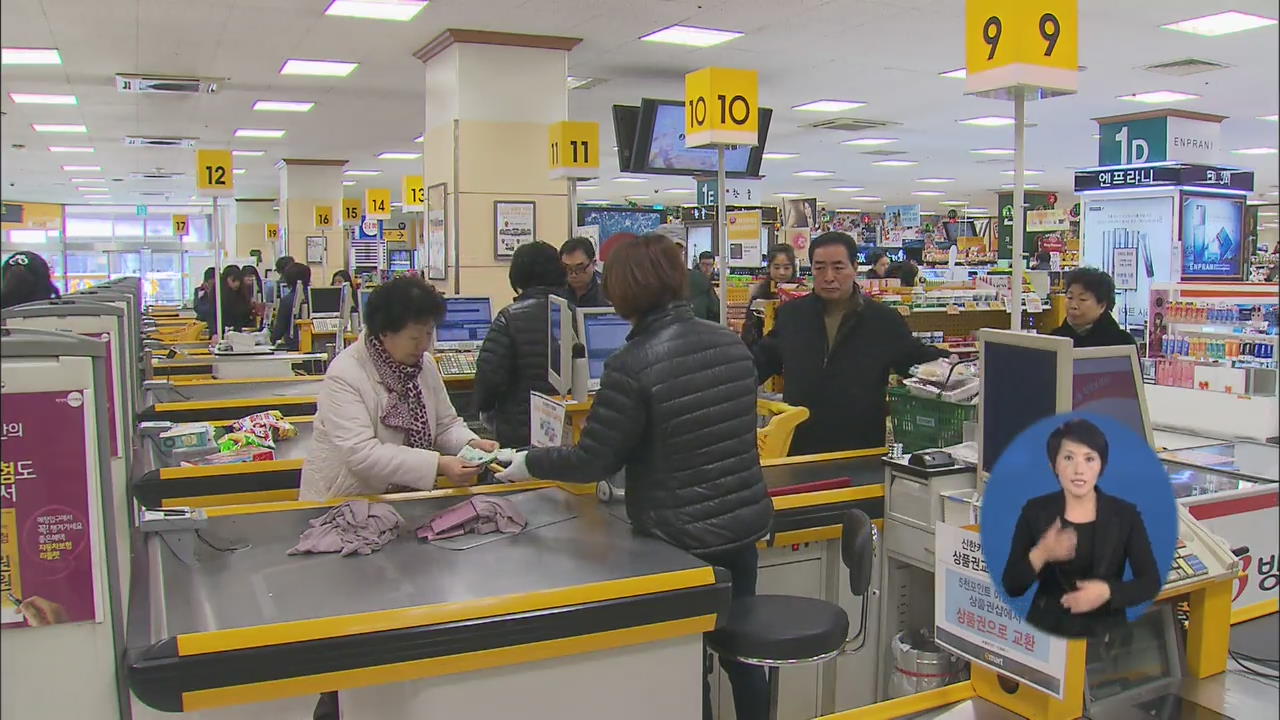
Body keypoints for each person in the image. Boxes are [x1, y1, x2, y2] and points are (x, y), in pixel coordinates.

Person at [495, 232, 773, 720]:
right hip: (741, 527)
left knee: (690, 663)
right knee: (741, 650)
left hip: (679, 538)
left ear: (623, 292)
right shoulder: (731, 345)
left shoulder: (631, 364)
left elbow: (593, 460)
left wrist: (529, 463)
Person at [299, 276, 499, 501]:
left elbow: (445, 425)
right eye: (414, 337)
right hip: (345, 502)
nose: (423, 345)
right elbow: (362, 454)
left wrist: (470, 443)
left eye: (429, 334)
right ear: (384, 332)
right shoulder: (345, 374)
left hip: (405, 502)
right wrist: (438, 464)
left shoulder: (424, 366)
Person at [753, 232, 945, 455]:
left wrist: (954, 364)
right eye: (820, 267)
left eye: (838, 267)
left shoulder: (882, 320)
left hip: (860, 449)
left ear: (854, 267)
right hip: (799, 446)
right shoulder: (792, 315)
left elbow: (915, 360)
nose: (828, 276)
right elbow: (762, 361)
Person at [1002, 419, 1160, 639]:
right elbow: (1012, 585)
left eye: (1089, 459)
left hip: (1106, 639)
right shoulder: (1035, 512)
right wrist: (1043, 553)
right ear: (1054, 465)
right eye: (1068, 458)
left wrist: (1108, 592)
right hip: (1047, 633)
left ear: (1101, 466)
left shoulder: (1125, 515)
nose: (1079, 470)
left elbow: (1150, 582)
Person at [474, 241, 566, 447]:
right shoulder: (577, 314)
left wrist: (483, 408)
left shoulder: (509, 318)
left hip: (520, 432)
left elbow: (489, 377)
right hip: (571, 431)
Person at [1052, 267, 1136, 348]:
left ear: (1102, 306)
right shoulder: (1053, 340)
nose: (1073, 306)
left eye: (1082, 299)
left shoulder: (1122, 342)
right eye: (1070, 297)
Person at [741, 244, 797, 348]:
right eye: (776, 267)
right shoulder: (759, 295)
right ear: (769, 267)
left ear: (793, 268)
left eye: (786, 267)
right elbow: (749, 331)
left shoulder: (801, 294)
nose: (782, 272)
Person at [271, 263, 311, 349]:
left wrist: (271, 339)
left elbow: (278, 332)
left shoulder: (287, 300)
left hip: (293, 346)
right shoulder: (316, 296)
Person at [559, 237, 608, 307]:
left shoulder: (608, 296)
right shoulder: (556, 296)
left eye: (579, 268)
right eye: (568, 268)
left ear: (593, 263)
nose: (573, 274)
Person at [218, 265, 252, 331]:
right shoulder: (219, 295)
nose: (237, 284)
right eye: (233, 280)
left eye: (238, 280)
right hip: (223, 331)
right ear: (226, 279)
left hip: (240, 331)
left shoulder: (243, 293)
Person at [688, 250, 720, 321]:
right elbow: (715, 309)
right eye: (704, 264)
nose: (707, 268)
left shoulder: (715, 278)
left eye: (710, 265)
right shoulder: (693, 280)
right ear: (699, 264)